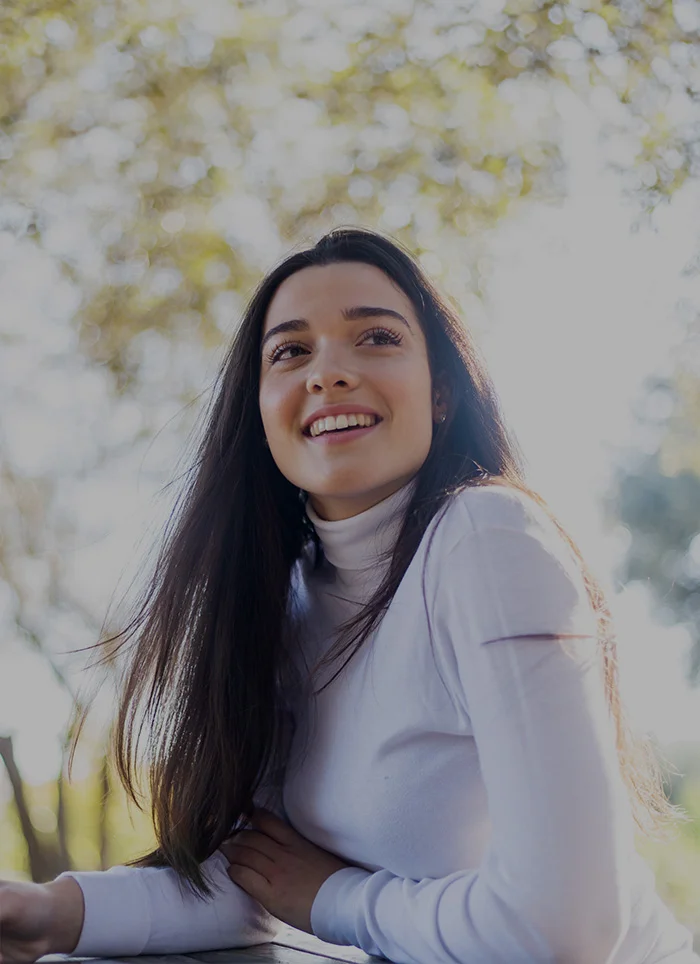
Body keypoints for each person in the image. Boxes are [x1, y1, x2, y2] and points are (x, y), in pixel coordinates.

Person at [0, 227, 697, 964]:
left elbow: (565, 930)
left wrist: (337, 898)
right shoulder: (284, 599)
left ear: (440, 396)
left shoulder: (489, 538)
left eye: (374, 338)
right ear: (260, 410)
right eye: (291, 351)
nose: (328, 373)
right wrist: (48, 912)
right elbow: (259, 876)